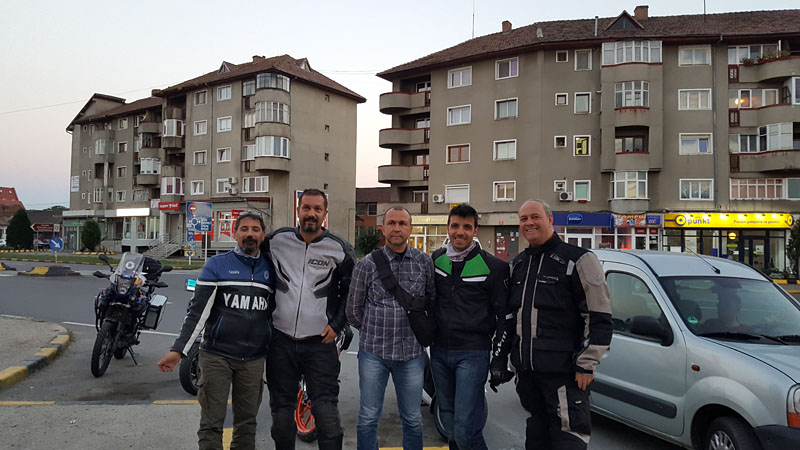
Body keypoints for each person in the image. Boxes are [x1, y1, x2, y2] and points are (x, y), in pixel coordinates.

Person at [492, 200, 612, 450]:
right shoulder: (518, 264)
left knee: (568, 442)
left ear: (550, 220)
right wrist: (501, 359)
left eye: (535, 217)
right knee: (536, 441)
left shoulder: (579, 260)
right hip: (528, 377)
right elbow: (511, 319)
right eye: (523, 219)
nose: (529, 223)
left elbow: (598, 315)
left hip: (564, 378)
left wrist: (586, 364)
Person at [157, 212, 275, 450]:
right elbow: (197, 313)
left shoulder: (272, 269)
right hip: (216, 356)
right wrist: (178, 350)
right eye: (244, 229)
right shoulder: (217, 265)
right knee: (211, 423)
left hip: (253, 359)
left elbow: (276, 313)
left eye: (255, 229)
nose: (250, 234)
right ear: (234, 233)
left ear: (263, 235)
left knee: (247, 424)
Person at [264, 189, 354, 450]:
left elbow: (353, 291)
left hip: (320, 343)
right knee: (281, 412)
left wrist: (337, 325)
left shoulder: (339, 248)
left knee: (326, 413)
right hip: (280, 340)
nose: (311, 213)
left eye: (317, 209)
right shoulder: (276, 240)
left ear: (325, 213)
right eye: (306, 208)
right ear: (298, 210)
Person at [346, 206, 435, 450]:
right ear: (383, 229)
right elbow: (353, 310)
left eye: (402, 223)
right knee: (368, 417)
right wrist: (374, 330)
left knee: (413, 419)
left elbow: (431, 302)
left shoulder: (424, 262)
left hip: (411, 355)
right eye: (392, 223)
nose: (397, 228)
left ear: (410, 229)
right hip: (374, 354)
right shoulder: (366, 264)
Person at [429, 204, 511, 450]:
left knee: (465, 429)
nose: (460, 232)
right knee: (450, 424)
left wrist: (499, 360)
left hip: (473, 353)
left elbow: (504, 317)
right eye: (455, 226)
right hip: (439, 351)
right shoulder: (436, 260)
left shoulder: (495, 267)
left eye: (467, 227)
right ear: (448, 228)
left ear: (475, 230)